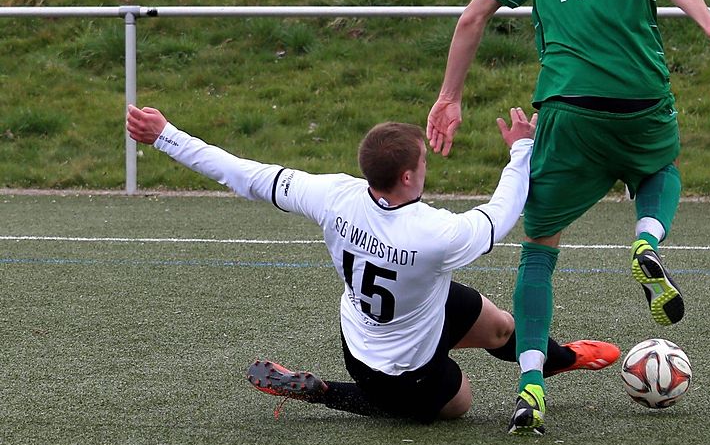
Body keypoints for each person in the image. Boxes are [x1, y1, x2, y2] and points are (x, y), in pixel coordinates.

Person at [427, 0, 710, 435]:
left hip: (567, 105)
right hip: (639, 98)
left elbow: (472, 17)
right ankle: (646, 239)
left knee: (540, 248)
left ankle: (530, 386)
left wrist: (450, 95)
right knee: (661, 169)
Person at [126, 104, 620, 424]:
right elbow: (499, 216)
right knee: (460, 404)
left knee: (498, 328)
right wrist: (521, 151)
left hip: (373, 324)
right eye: (424, 162)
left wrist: (166, 135)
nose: (428, 166)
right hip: (395, 367)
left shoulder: (333, 195)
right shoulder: (433, 234)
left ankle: (563, 358)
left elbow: (245, 174)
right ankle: (326, 392)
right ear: (407, 176)